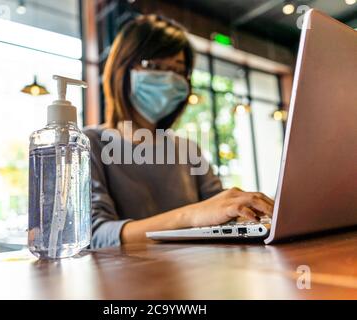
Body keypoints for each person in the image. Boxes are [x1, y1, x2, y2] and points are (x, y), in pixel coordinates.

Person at [84, 15, 274, 249]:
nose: (169, 79)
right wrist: (191, 216)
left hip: (193, 276)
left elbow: (218, 209)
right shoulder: (87, 144)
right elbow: (93, 235)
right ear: (121, 69)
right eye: (153, 66)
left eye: (177, 70)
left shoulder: (187, 149)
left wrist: (244, 211)